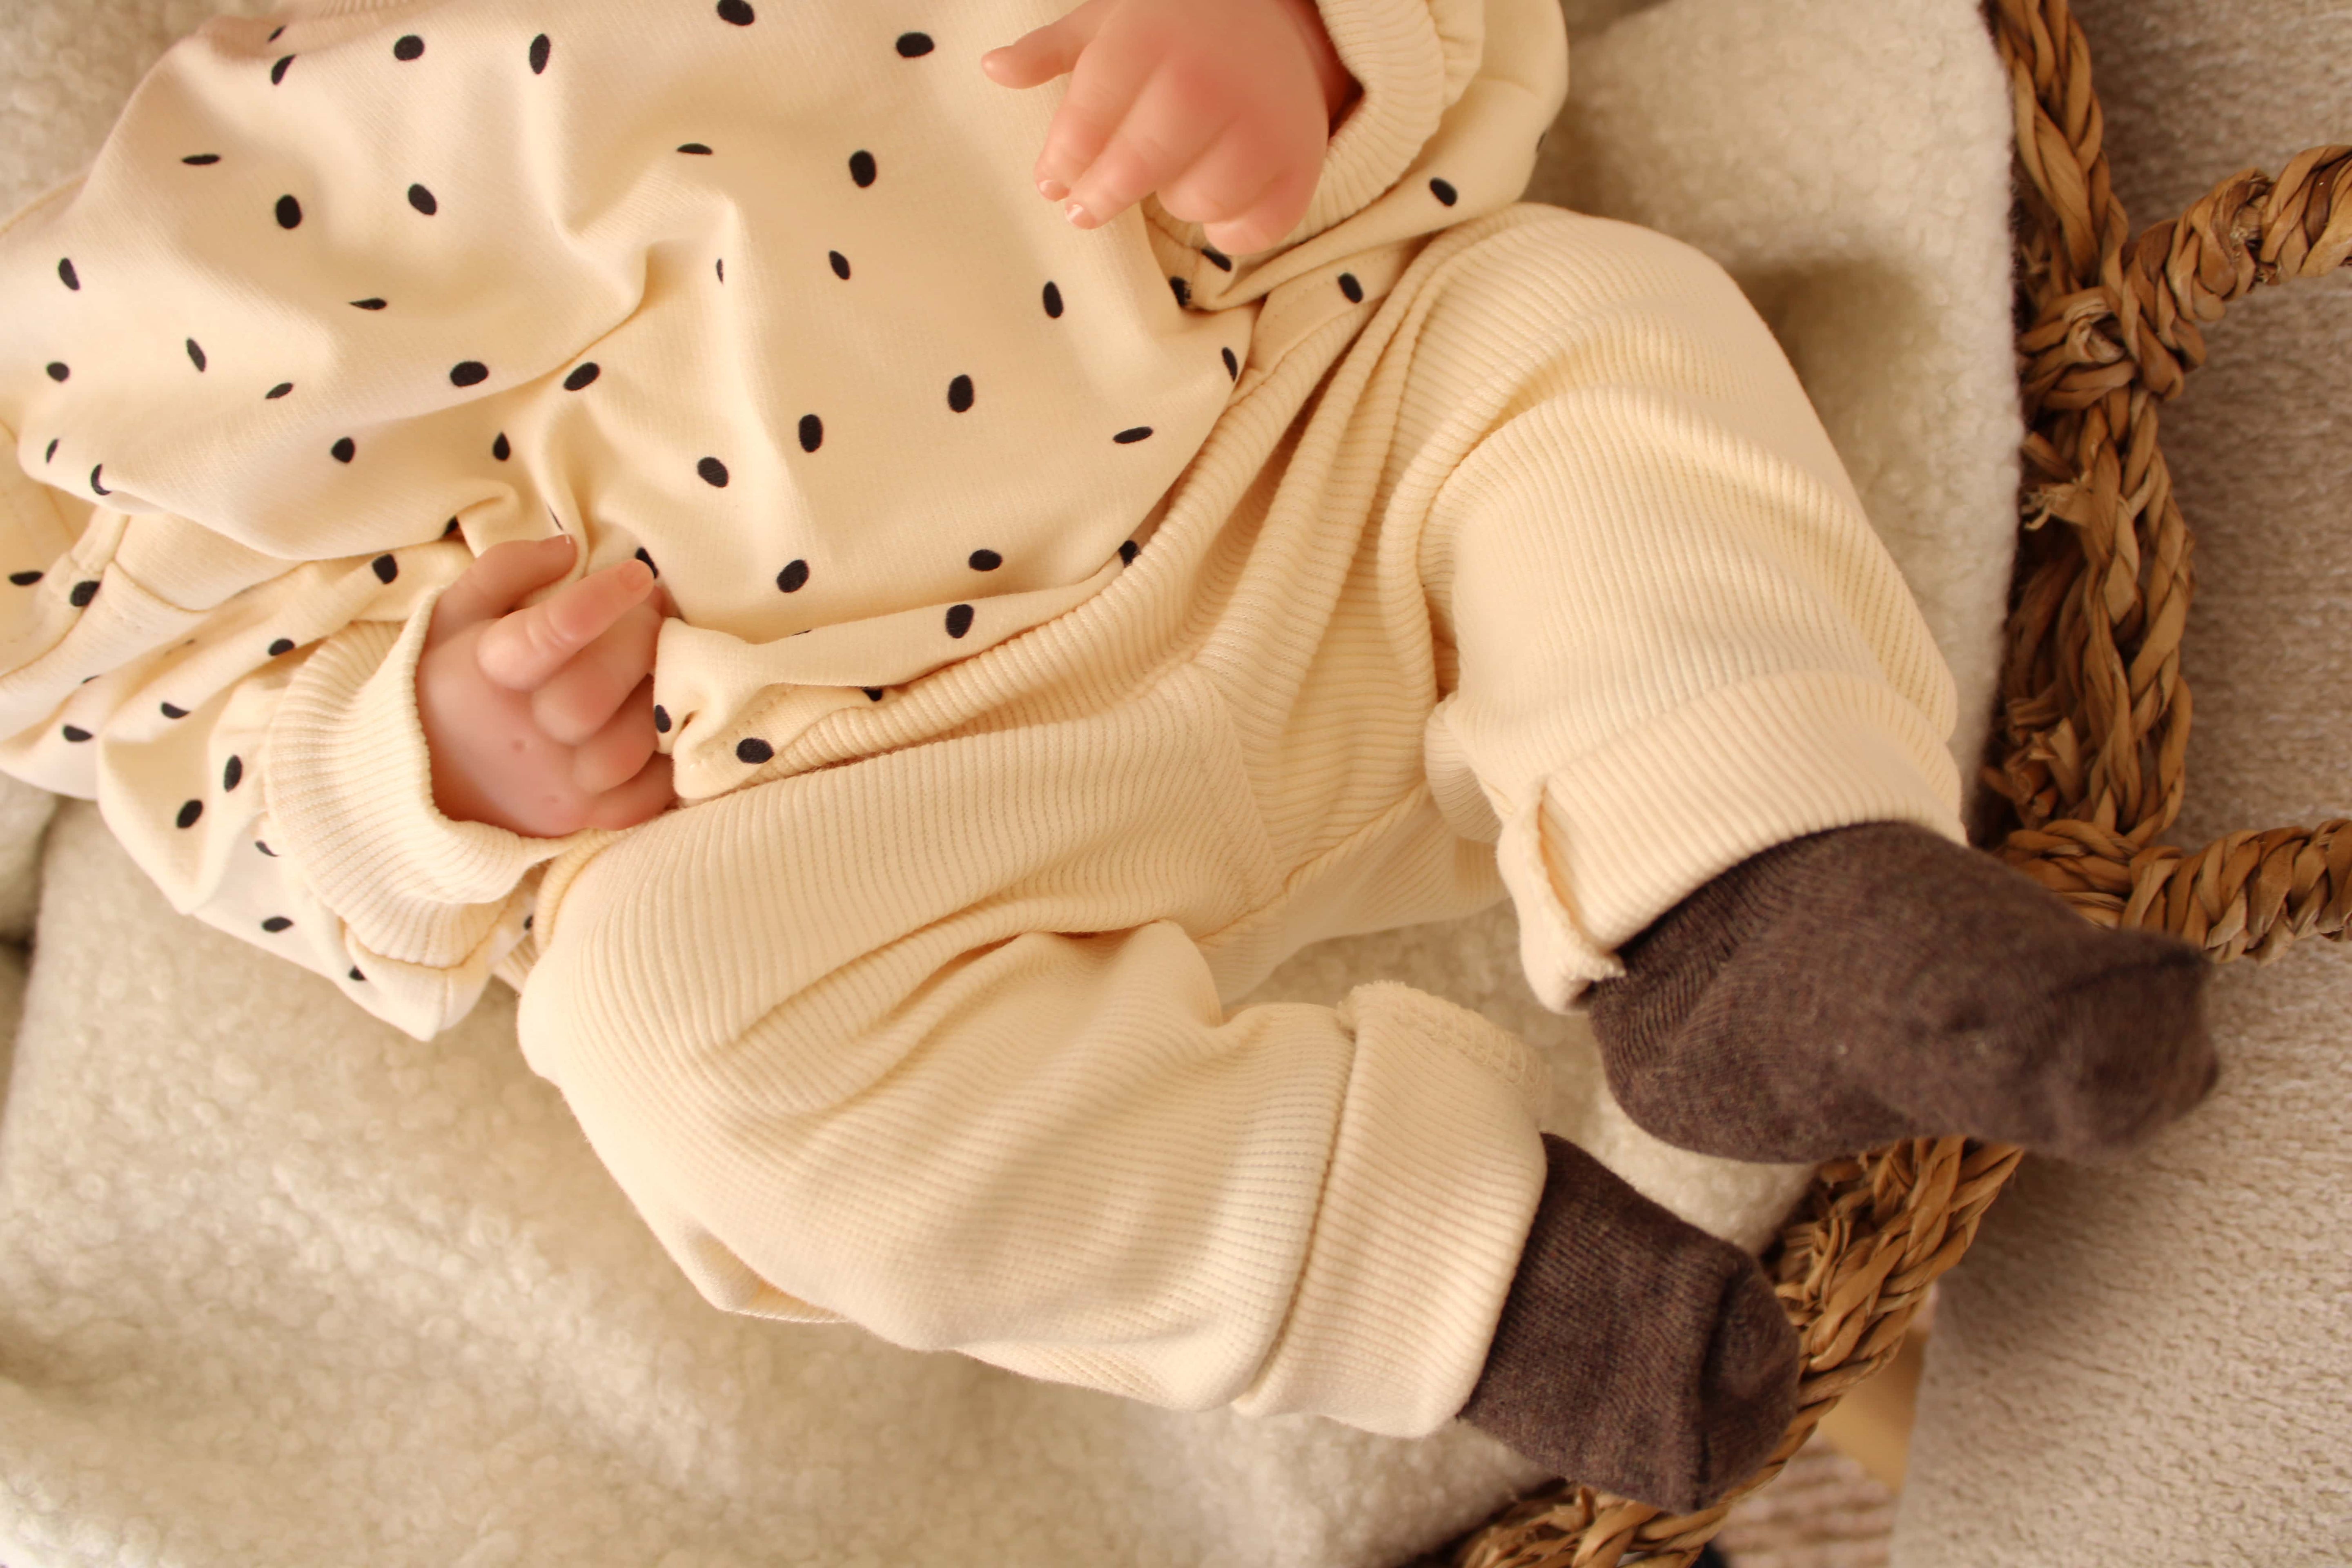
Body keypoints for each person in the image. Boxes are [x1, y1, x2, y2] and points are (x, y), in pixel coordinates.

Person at [0, 0, 2216, 1512]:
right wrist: (427, 767)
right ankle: (1461, 1273)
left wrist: (1308, 40)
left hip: (1323, 430)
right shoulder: (166, 268)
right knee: (666, 1019)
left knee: (1585, 339)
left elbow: (1476, 50)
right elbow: (168, 731)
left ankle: (1750, 890)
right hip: (858, 798)